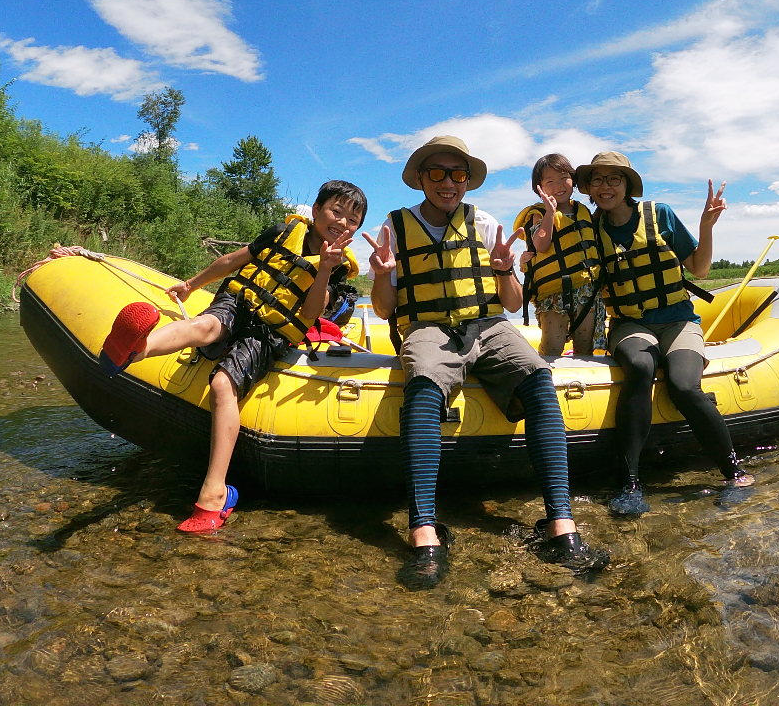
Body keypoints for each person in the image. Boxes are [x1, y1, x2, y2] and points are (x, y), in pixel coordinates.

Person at [363, 135, 608, 589]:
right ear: (420, 178)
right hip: (429, 328)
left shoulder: (486, 222)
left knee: (537, 377)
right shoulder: (394, 228)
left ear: (467, 180)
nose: (448, 183)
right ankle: (423, 531)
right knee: (423, 387)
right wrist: (380, 276)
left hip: (489, 325)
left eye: (457, 174)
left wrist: (503, 270)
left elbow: (512, 303)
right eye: (437, 173)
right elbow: (382, 309)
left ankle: (561, 526)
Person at [98, 180, 366, 532]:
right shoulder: (282, 231)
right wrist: (191, 284)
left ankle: (213, 493)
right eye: (337, 211)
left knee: (223, 383)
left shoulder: (340, 266)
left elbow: (313, 311)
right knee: (205, 325)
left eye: (353, 219)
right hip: (239, 303)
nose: (343, 222)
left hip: (271, 331)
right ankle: (134, 350)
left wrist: (326, 269)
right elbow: (232, 260)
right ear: (316, 211)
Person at [578, 151, 752, 518]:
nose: (605, 186)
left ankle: (734, 473)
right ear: (589, 189)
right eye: (597, 179)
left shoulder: (660, 215)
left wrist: (706, 226)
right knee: (640, 368)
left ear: (627, 185)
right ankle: (629, 483)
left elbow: (700, 270)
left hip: (678, 322)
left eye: (614, 178)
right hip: (630, 324)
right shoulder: (590, 230)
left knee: (684, 385)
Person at [512, 153, 604, 357]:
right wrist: (550, 214)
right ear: (540, 188)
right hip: (553, 296)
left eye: (564, 178)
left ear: (573, 179)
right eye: (550, 181)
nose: (558, 185)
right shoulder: (539, 213)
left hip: (587, 291)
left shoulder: (584, 212)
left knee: (585, 348)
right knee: (552, 348)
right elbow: (541, 245)